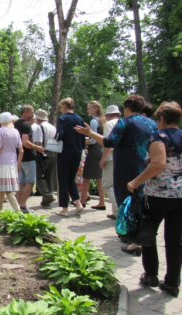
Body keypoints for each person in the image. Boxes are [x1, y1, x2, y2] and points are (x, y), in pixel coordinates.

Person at [74, 95, 158, 256]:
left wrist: (90, 133)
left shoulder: (124, 123)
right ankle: (138, 238)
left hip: (125, 169)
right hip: (144, 168)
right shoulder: (152, 124)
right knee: (140, 201)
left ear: (127, 108)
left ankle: (132, 239)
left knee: (125, 202)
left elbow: (109, 142)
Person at [127, 101, 182, 297]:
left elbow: (158, 163)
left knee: (148, 234)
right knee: (175, 240)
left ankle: (151, 275)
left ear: (162, 119)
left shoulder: (159, 136)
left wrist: (135, 182)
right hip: (180, 197)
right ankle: (172, 282)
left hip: (159, 194)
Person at [54, 97, 86, 216]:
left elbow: (60, 134)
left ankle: (64, 208)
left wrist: (55, 140)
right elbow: (83, 137)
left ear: (65, 106)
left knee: (62, 179)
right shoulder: (79, 119)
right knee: (71, 179)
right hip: (77, 152)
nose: (60, 110)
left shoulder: (62, 118)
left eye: (61, 107)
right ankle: (78, 204)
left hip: (65, 152)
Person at [14, 104, 44, 213]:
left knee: (21, 182)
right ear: (25, 112)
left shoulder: (15, 124)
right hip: (28, 156)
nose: (33, 115)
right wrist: (37, 147)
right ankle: (22, 205)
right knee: (30, 181)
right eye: (32, 112)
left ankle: (18, 206)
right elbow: (25, 142)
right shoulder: (26, 125)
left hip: (17, 157)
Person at [80, 101, 106, 210]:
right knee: (99, 177)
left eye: (89, 108)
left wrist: (83, 141)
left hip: (94, 151)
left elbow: (93, 140)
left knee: (86, 176)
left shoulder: (93, 121)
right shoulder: (103, 121)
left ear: (95, 108)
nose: (87, 111)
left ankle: (82, 201)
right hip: (101, 150)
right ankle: (102, 202)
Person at [99, 105, 121, 220]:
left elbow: (108, 143)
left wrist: (103, 158)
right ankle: (116, 212)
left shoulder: (109, 124)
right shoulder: (123, 122)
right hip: (121, 158)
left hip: (111, 157)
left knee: (107, 185)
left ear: (108, 115)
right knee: (117, 185)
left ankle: (119, 211)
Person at [34, 109, 57, 208]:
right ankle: (46, 199)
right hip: (53, 153)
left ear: (38, 119)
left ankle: (47, 196)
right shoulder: (53, 127)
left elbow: (38, 142)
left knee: (38, 175)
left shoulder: (40, 127)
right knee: (49, 176)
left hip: (43, 152)